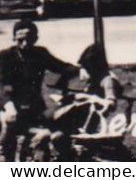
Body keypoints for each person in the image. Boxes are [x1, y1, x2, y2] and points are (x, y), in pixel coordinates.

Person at [0, 20, 78, 161]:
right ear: (14, 39)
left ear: (35, 38)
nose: (24, 44)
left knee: (57, 131)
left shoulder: (39, 53)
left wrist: (82, 69)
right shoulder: (5, 56)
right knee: (8, 126)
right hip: (8, 106)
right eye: (20, 40)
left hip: (34, 107)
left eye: (29, 39)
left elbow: (61, 66)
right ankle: (5, 160)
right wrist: (8, 105)